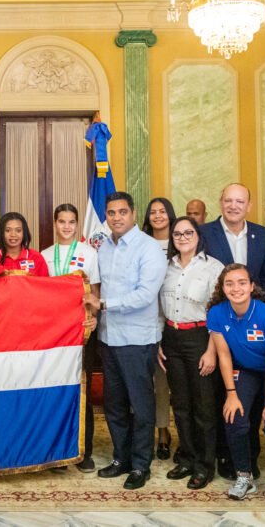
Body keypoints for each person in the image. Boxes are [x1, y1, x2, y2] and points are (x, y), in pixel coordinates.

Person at [82, 191, 167, 490]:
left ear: (133, 214)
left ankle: (141, 465)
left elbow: (145, 296)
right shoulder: (103, 248)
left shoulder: (149, 248)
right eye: (111, 213)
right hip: (108, 339)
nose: (116, 217)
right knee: (114, 405)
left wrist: (102, 304)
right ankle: (122, 458)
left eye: (122, 212)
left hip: (137, 340)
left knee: (141, 406)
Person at [207, 263, 265, 508]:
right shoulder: (216, 313)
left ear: (251, 286)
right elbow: (224, 356)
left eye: (242, 282)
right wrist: (231, 394)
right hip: (246, 369)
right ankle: (244, 476)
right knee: (234, 417)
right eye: (229, 283)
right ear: (222, 288)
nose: (236, 288)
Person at [201, 183, 265, 479]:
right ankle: (225, 454)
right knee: (223, 391)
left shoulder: (262, 234)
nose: (233, 206)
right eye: (228, 200)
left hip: (254, 321)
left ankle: (249, 455)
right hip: (221, 320)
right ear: (220, 202)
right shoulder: (204, 233)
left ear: (249, 205)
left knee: (251, 395)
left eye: (239, 201)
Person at [157, 215, 223, 489]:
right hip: (171, 338)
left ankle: (205, 465)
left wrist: (212, 350)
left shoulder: (213, 267)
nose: (182, 238)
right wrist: (160, 340)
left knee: (204, 407)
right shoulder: (166, 267)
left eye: (188, 233)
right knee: (181, 405)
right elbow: (159, 305)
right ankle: (186, 458)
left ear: (198, 236)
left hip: (200, 338)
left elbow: (219, 312)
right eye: (177, 234)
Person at [41, 203, 100, 473]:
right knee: (55, 387)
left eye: (71, 222)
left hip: (80, 329)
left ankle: (83, 451)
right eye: (62, 221)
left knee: (81, 388)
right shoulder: (44, 256)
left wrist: (92, 317)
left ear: (77, 225)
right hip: (52, 333)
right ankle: (58, 451)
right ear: (55, 224)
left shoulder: (89, 253)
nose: (66, 227)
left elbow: (95, 293)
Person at [142, 197, 176, 458]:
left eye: (162, 211)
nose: (157, 216)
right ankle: (162, 431)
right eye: (152, 212)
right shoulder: (141, 243)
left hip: (178, 318)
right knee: (158, 381)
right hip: (149, 319)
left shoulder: (181, 241)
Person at [0, 212, 47, 278]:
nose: (13, 234)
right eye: (7, 230)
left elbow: (44, 284)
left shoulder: (36, 257)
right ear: (1, 232)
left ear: (24, 232)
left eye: (18, 230)